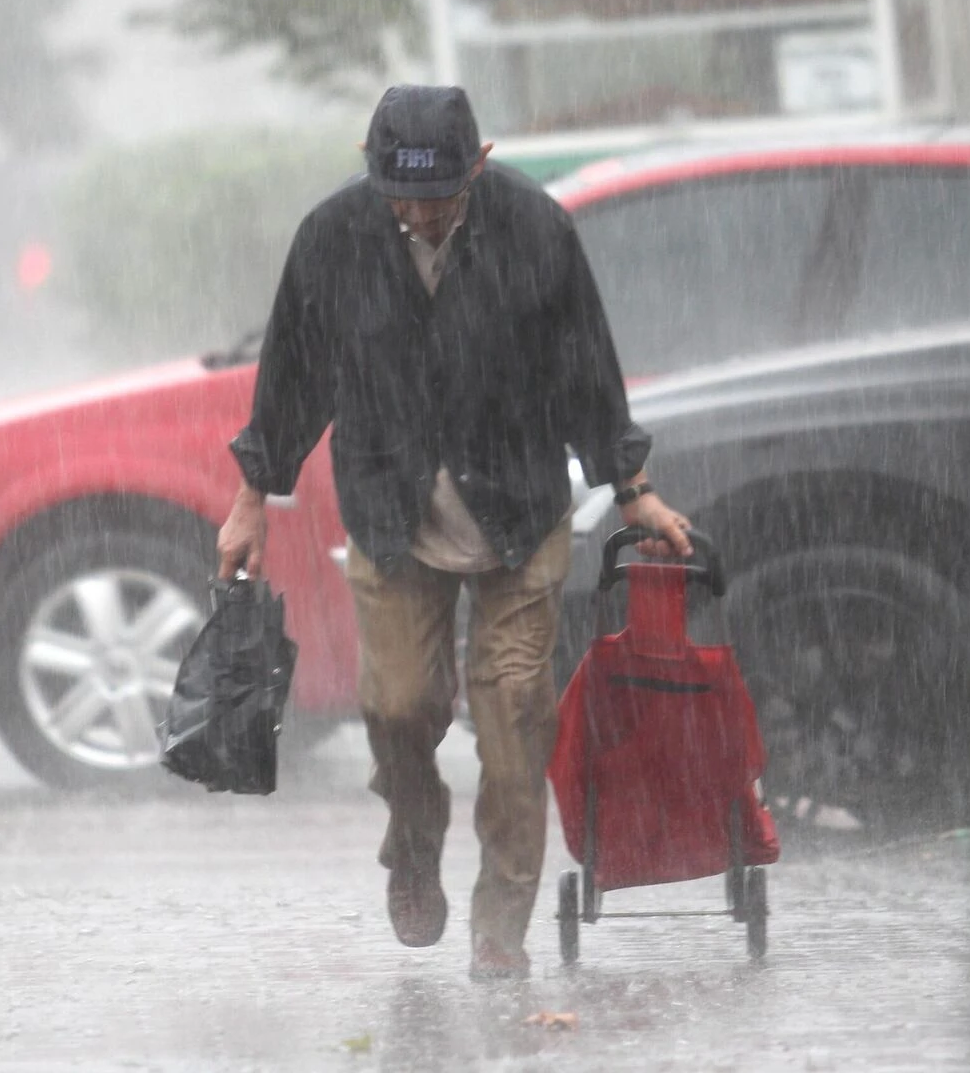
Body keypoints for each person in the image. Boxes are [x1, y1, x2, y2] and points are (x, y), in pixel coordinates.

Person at [218, 84, 693, 980]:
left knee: (514, 716)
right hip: (392, 513)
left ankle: (500, 928)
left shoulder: (536, 231)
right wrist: (253, 497)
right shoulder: (333, 239)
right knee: (399, 707)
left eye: (439, 200)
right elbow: (291, 376)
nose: (421, 216)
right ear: (373, 171)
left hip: (517, 508)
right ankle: (414, 842)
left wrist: (633, 488)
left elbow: (588, 367)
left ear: (477, 167)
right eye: (402, 199)